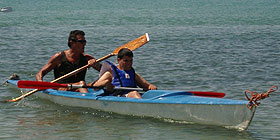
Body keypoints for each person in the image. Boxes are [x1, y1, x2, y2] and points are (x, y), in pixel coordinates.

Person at [36, 30, 101, 93]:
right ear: (72, 43)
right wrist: (40, 82)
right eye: (81, 42)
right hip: (62, 88)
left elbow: (105, 71)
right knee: (81, 83)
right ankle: (88, 101)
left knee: (104, 80)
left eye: (85, 42)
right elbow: (40, 73)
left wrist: (95, 64)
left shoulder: (87, 58)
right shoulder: (59, 57)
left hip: (79, 87)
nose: (84, 44)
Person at [92, 48, 157, 98]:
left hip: (131, 96)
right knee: (134, 93)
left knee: (137, 93)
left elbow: (146, 85)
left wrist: (151, 86)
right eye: (125, 61)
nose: (129, 63)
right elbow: (95, 86)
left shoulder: (132, 72)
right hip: (118, 97)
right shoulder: (111, 73)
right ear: (118, 60)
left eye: (130, 61)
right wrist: (106, 84)